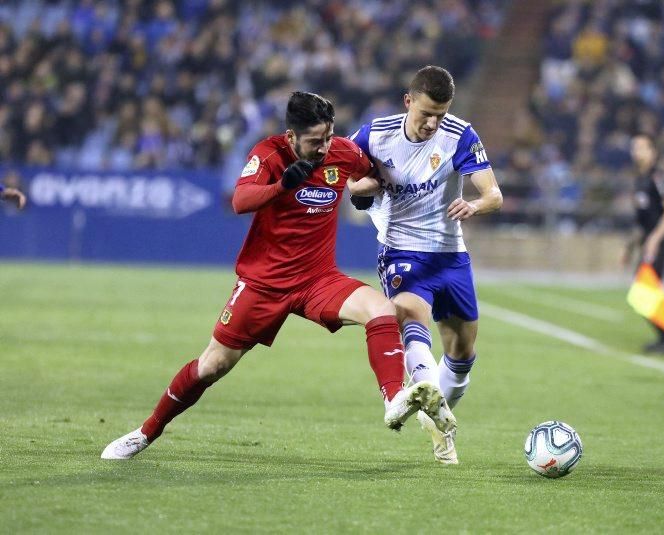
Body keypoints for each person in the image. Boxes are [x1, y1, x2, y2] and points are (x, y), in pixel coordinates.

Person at [101, 92, 455, 460]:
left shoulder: (342, 153)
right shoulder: (268, 154)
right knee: (212, 366)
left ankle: (394, 399)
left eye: (329, 137)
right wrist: (282, 186)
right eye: (315, 141)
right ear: (291, 137)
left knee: (382, 310)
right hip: (264, 284)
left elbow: (370, 176)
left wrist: (365, 195)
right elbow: (239, 201)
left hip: (318, 279)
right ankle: (146, 432)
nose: (324, 148)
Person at [348, 66, 503, 464]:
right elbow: (350, 182)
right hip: (401, 250)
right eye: (426, 114)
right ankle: (427, 396)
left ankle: (434, 419)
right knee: (411, 316)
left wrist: (475, 204)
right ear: (408, 102)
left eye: (441, 114)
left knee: (463, 354)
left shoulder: (460, 134)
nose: (433, 123)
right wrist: (367, 186)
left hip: (451, 255)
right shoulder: (374, 135)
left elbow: (494, 195)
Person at [622, 134, 664, 354]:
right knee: (643, 292)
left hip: (658, 243)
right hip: (647, 243)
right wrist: (629, 247)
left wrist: (655, 239)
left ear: (652, 151)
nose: (636, 152)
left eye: (641, 147)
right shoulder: (640, 179)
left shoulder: (658, 176)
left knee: (644, 291)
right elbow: (640, 222)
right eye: (633, 147)